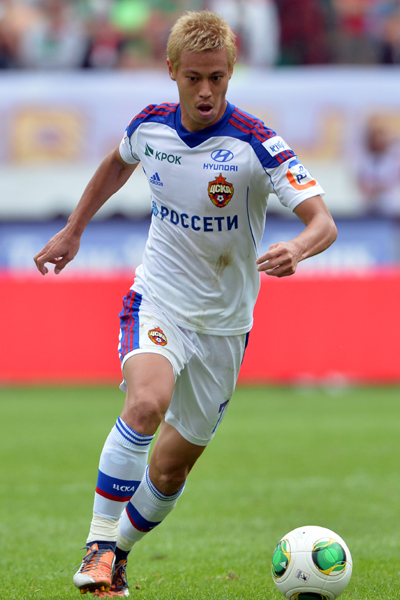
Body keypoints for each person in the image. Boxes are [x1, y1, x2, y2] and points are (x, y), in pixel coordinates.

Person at [33, 10, 337, 598]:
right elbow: (117, 164)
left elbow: (322, 221)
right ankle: (98, 545)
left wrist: (299, 247)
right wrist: (74, 230)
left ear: (231, 73)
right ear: (171, 70)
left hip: (226, 326)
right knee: (147, 402)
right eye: (194, 77)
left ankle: (118, 555)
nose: (205, 91)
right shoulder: (150, 127)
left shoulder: (256, 143)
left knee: (171, 470)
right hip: (159, 300)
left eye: (216, 78)